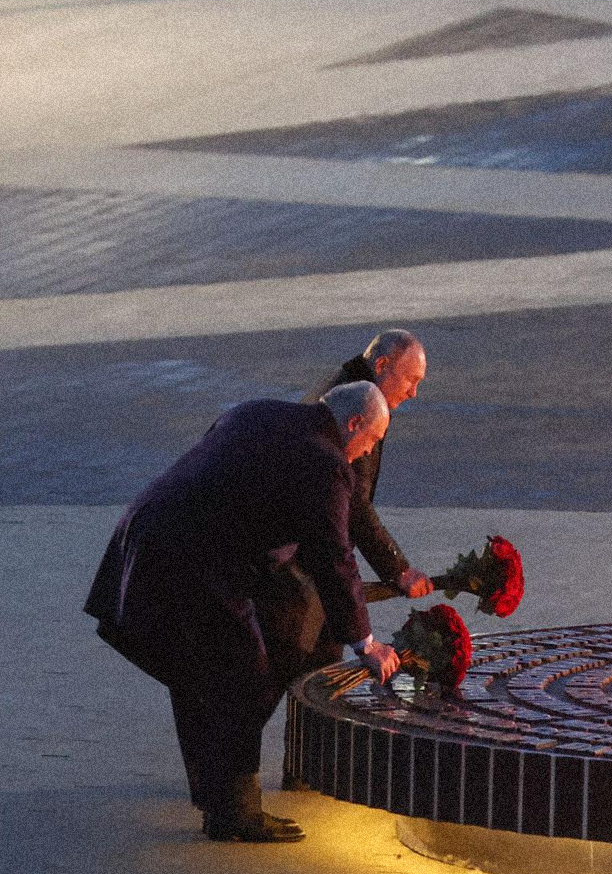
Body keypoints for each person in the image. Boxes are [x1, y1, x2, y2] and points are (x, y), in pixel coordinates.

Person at [85, 382, 402, 843]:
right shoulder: (327, 462)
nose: (367, 452)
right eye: (372, 440)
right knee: (244, 676)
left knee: (200, 675)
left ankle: (220, 800)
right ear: (353, 424)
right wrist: (365, 642)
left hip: (145, 536)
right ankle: (235, 813)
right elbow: (334, 556)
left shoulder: (258, 411)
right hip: (194, 565)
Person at [257, 331, 432, 703]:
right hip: (299, 576)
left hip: (302, 565)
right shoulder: (357, 407)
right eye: (411, 380)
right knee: (302, 676)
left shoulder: (348, 393)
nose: (414, 393)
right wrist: (397, 569)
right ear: (382, 366)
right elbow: (351, 505)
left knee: (311, 678)